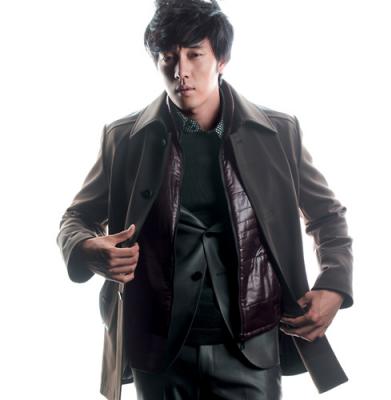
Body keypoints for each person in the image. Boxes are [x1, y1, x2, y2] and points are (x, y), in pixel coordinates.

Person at [57, 1, 353, 399]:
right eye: (168, 58)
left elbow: (327, 216)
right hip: (157, 350)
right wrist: (85, 248)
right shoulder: (125, 138)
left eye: (195, 55)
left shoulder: (278, 133)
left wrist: (334, 284)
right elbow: (76, 217)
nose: (180, 71)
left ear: (222, 60)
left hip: (253, 346)